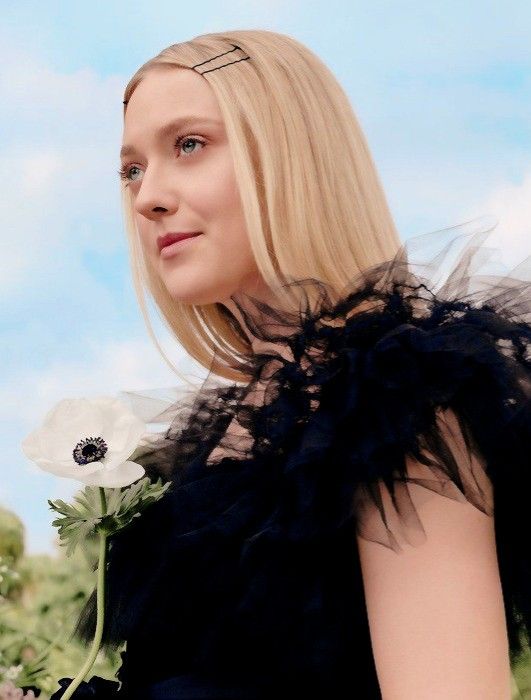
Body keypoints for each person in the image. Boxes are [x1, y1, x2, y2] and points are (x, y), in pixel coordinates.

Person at [51, 30, 530, 699]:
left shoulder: (403, 402)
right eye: (130, 169)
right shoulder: (216, 436)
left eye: (189, 145)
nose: (146, 196)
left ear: (289, 152)